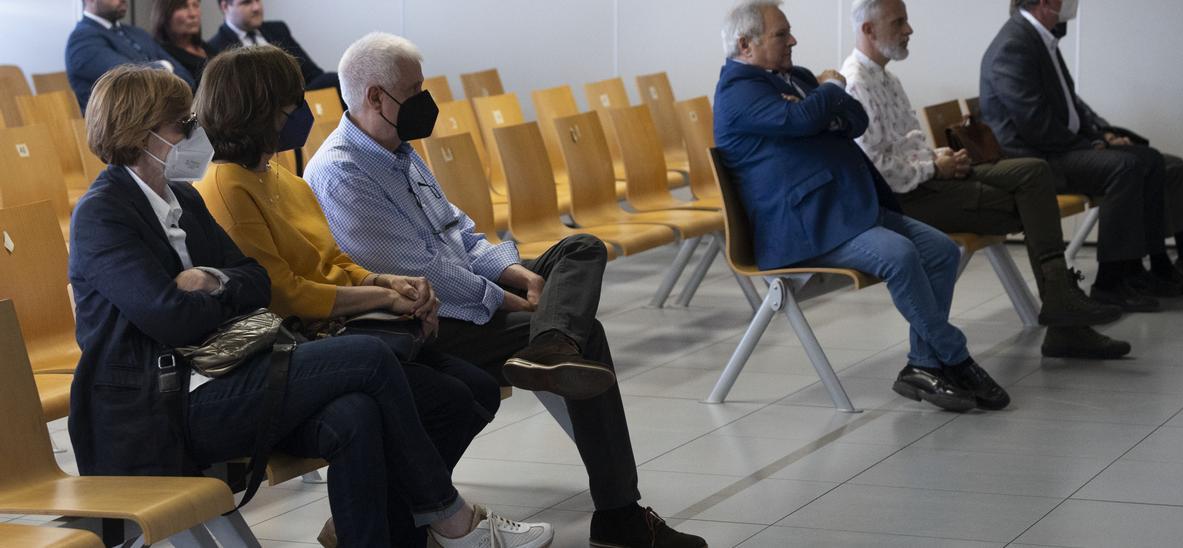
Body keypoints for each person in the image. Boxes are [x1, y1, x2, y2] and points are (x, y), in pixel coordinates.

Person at [68, 65, 551, 548]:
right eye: (183, 125)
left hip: (229, 373)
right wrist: (220, 293)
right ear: (140, 132)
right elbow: (171, 316)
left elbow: (254, 282)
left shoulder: (184, 200)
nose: (197, 133)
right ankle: (450, 518)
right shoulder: (102, 215)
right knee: (368, 357)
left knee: (355, 414)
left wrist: (210, 281)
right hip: (161, 406)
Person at [303, 32, 707, 548]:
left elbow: (459, 235)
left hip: (459, 289)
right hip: (421, 318)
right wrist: (514, 302)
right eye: (415, 90)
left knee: (580, 248)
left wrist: (517, 273)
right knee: (592, 335)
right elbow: (424, 274)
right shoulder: (341, 172)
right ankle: (619, 515)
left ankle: (552, 342)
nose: (426, 102)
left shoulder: (399, 152)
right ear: (375, 97)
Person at [715, 0, 1009, 412]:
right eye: (782, 34)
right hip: (804, 225)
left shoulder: (796, 78)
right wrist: (830, 91)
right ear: (746, 45)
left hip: (847, 207)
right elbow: (803, 121)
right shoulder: (737, 92)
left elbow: (855, 119)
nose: (793, 40)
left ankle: (923, 365)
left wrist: (825, 109)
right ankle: (956, 357)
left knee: (941, 251)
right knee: (901, 254)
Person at [841, 0, 1129, 359]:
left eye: (906, 21)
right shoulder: (856, 84)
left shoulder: (887, 77)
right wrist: (934, 167)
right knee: (1027, 204)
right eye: (899, 23)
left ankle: (1061, 305)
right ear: (868, 30)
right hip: (909, 198)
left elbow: (909, 143)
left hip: (931, 178)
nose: (909, 30)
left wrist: (940, 156)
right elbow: (878, 168)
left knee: (1033, 171)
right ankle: (1064, 318)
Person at [979, 0, 1183, 313]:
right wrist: (1092, 146)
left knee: (1148, 159)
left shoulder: (1039, 37)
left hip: (1054, 148)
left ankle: (1139, 270)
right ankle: (1109, 282)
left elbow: (1070, 106)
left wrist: (1099, 136)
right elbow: (1036, 125)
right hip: (1035, 160)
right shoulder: (1015, 44)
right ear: (1044, 2)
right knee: (1127, 166)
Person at [66, 0, 195, 111]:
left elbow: (186, 77)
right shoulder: (82, 40)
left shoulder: (137, 33)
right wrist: (165, 66)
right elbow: (132, 79)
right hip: (120, 130)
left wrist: (163, 68)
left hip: (161, 119)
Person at [205, 0, 339, 91]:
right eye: (247, 2)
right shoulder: (215, 48)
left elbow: (312, 73)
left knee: (332, 81)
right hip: (262, 111)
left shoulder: (278, 29)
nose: (256, 8)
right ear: (225, 7)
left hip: (299, 98)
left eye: (258, 0)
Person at [152, 0, 210, 90]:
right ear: (165, 14)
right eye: (183, 7)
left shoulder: (209, 48)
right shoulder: (160, 56)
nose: (193, 14)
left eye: (195, 5)